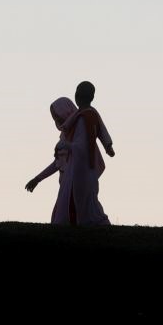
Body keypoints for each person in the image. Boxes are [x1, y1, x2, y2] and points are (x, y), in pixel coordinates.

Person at [54, 81, 115, 226]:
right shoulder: (84, 115)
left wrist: (65, 145)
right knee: (86, 195)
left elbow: (81, 146)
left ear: (77, 96)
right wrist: (108, 145)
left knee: (83, 196)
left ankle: (87, 221)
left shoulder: (84, 117)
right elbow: (102, 131)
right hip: (86, 164)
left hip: (83, 165)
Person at [25, 97, 78, 223]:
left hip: (75, 189)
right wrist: (37, 179)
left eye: (58, 116)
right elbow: (57, 164)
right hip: (65, 188)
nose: (57, 120)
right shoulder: (64, 136)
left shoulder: (77, 134)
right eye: (55, 118)